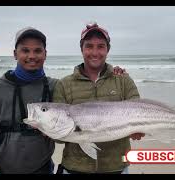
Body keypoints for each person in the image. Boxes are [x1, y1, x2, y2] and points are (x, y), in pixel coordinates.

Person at [0, 27, 127, 174]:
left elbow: (90, 107)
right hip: (1, 170)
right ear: (15, 53)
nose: (31, 56)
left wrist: (111, 73)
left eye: (37, 51)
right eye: (25, 50)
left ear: (45, 54)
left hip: (44, 169)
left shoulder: (56, 86)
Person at [53, 22, 145, 174]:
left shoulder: (123, 80)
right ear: (81, 49)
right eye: (89, 46)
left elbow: (138, 110)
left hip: (117, 168)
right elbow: (60, 138)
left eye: (100, 46)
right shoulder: (64, 84)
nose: (95, 52)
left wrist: (138, 130)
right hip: (74, 168)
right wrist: (48, 128)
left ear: (108, 49)